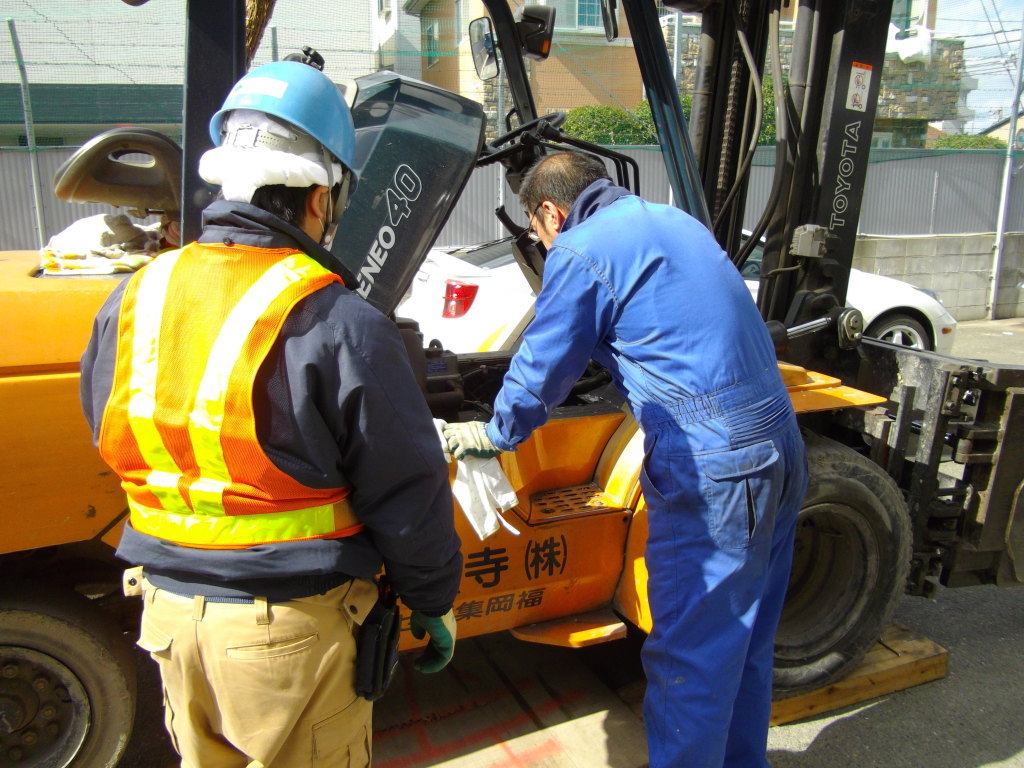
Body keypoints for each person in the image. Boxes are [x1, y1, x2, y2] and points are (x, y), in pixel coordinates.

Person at [81, 60, 461, 768]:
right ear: (321, 197)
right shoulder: (337, 318)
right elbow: (406, 489)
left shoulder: (139, 295)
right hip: (288, 634)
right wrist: (431, 598)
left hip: (165, 617)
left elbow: (105, 419)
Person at [443, 151, 807, 768]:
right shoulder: (674, 220)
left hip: (714, 464)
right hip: (779, 441)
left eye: (536, 230)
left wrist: (496, 432)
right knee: (743, 643)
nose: (541, 241)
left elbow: (542, 370)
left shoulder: (581, 249)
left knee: (690, 657)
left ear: (552, 213)